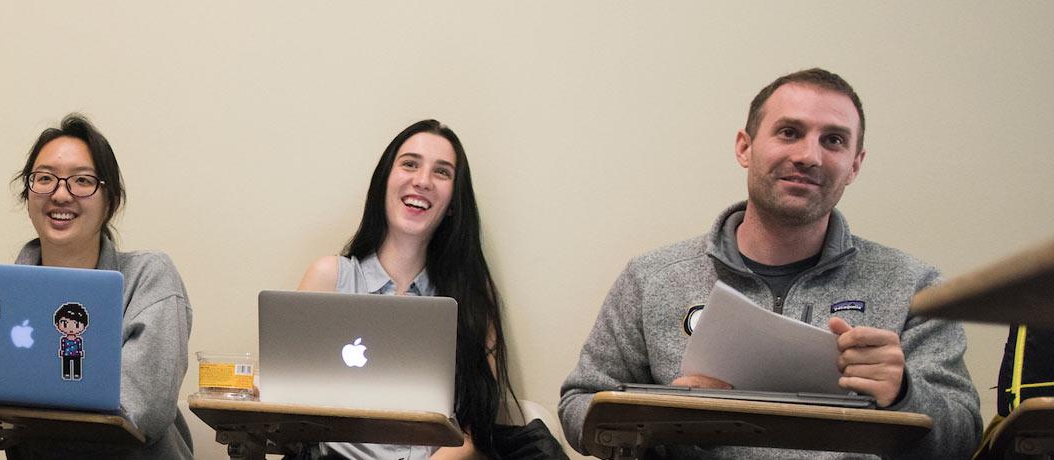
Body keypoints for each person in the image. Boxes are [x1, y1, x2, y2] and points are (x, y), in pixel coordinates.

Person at [557, 68, 981, 458]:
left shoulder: (915, 286)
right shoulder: (651, 279)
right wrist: (662, 419)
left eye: (833, 140)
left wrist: (904, 394)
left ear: (854, 164)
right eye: (789, 132)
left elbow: (964, 438)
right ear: (745, 147)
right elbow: (579, 405)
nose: (809, 156)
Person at [293, 120, 541, 459]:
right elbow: (286, 405)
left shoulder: (471, 298)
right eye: (410, 163)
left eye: (442, 172)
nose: (422, 181)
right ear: (385, 181)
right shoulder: (328, 277)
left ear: (454, 201)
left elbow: (472, 434)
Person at [4, 114, 195, 459]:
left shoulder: (149, 276)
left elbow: (140, 406)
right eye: (44, 179)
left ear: (111, 200)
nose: (61, 195)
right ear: (27, 194)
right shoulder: (4, 294)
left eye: (82, 181)